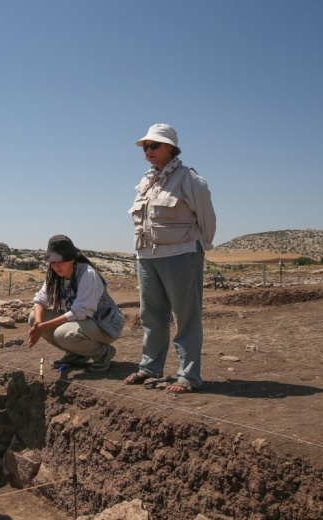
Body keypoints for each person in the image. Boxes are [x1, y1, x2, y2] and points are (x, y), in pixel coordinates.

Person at [126, 123, 216, 394]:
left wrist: (201, 245)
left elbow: (206, 217)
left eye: (154, 145)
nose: (148, 151)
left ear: (170, 148)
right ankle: (150, 367)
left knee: (186, 316)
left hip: (181, 253)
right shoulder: (145, 181)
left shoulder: (189, 178)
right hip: (146, 256)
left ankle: (188, 376)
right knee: (151, 315)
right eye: (146, 147)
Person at [27, 235, 124, 372]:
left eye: (60, 260)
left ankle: (103, 353)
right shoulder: (54, 275)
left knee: (63, 334)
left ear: (72, 259)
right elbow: (40, 300)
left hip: (104, 324)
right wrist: (38, 324)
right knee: (33, 317)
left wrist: (44, 326)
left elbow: (81, 311)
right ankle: (76, 354)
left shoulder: (87, 274)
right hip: (82, 322)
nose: (57, 265)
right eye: (53, 262)